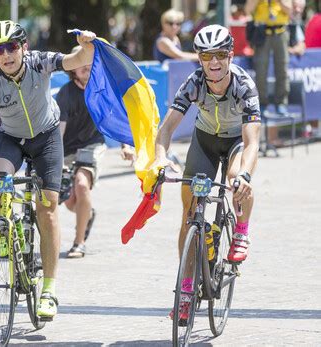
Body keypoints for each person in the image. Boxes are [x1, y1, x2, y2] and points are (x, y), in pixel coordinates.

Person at [0, 20, 96, 320]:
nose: (6, 54)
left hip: (47, 137)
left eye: (12, 47)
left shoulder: (39, 62)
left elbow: (76, 60)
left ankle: (49, 290)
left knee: (47, 208)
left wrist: (87, 45)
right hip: (10, 138)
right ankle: (8, 227)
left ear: (23, 47)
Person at [148, 25, 261, 320]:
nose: (214, 62)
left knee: (237, 178)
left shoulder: (244, 85)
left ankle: (241, 230)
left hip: (236, 142)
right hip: (205, 141)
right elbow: (166, 130)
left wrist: (245, 176)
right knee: (189, 215)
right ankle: (186, 290)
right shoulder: (194, 82)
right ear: (199, 58)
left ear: (231, 55)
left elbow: (253, 142)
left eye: (221, 55)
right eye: (207, 55)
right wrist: (159, 160)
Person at [56, 46, 106, 258]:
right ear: (72, 69)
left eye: (89, 61)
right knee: (69, 201)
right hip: (67, 149)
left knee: (82, 184)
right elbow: (58, 133)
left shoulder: (101, 88)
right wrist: (55, 160)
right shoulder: (65, 94)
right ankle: (87, 213)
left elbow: (116, 118)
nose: (85, 66)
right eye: (80, 62)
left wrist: (126, 145)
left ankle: (79, 242)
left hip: (92, 145)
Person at [245, 0, 292, 116]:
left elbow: (290, 10)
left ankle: (281, 103)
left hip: (281, 32)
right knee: (261, 70)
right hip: (262, 33)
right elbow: (247, 10)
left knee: (282, 69)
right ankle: (262, 104)